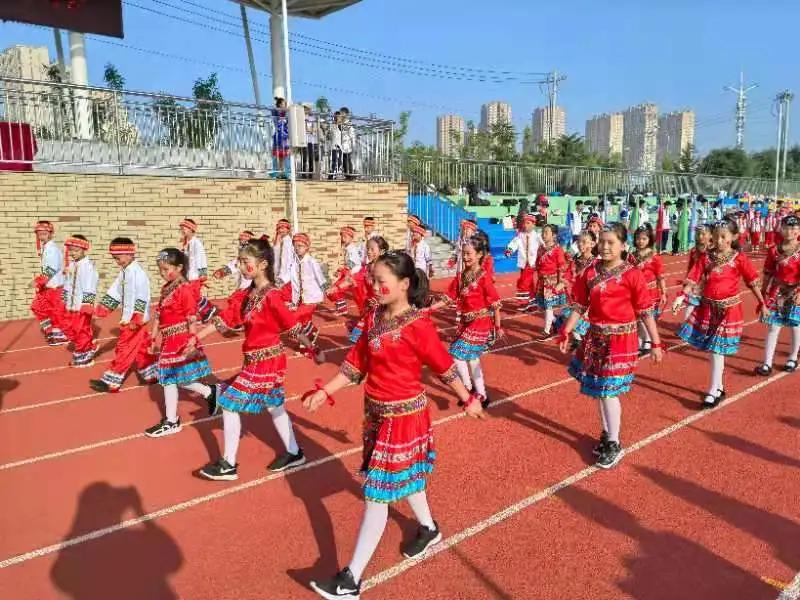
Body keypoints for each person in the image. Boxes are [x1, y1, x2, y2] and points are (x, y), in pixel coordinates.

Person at [303, 251, 484, 599]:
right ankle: (428, 528)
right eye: (372, 279)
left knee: (376, 494)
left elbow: (444, 366)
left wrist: (468, 398)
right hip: (376, 414)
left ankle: (350, 580)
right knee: (403, 479)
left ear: (404, 284)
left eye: (380, 280)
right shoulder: (373, 316)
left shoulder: (418, 325)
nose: (373, 286)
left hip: (403, 419)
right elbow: (355, 363)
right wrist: (324, 392)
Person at [192, 239, 313, 480]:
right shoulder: (248, 294)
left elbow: (291, 324)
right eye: (239, 262)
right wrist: (196, 336)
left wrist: (312, 347)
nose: (240, 266)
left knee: (229, 404)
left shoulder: (272, 296)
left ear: (263, 265)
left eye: (244, 262)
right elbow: (227, 318)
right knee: (274, 406)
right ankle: (294, 452)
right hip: (254, 360)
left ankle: (228, 464)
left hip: (267, 361)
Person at [560, 222, 663, 469]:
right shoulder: (590, 272)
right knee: (599, 389)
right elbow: (580, 305)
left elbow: (645, 311)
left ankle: (615, 443)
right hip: (595, 337)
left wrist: (656, 342)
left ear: (623, 246)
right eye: (602, 242)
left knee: (608, 390)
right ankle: (607, 434)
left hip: (621, 340)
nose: (605, 247)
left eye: (611, 243)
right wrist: (566, 330)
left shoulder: (632, 274)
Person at [672, 219, 768, 408]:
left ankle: (712, 391)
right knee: (715, 350)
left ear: (734, 237)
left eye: (723, 236)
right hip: (708, 309)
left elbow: (752, 281)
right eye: (716, 236)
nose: (719, 240)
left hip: (729, 310)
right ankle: (719, 387)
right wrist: (681, 296)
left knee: (717, 350)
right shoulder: (706, 258)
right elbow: (693, 277)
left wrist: (762, 303)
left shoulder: (739, 258)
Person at [145, 248, 216, 438]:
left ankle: (171, 421)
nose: (162, 273)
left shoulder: (184, 289)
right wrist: (153, 337)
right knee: (175, 379)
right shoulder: (166, 289)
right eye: (160, 269)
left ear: (179, 268)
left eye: (166, 269)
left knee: (171, 378)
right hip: (168, 340)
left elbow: (191, 316)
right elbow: (159, 315)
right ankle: (208, 392)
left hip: (180, 339)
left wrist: (192, 338)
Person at [429, 233, 502, 409]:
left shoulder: (483, 277)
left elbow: (495, 303)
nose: (466, 257)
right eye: (464, 253)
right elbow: (449, 297)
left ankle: (469, 388)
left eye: (469, 253)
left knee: (457, 354)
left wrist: (498, 326)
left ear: (479, 255)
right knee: (472, 359)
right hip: (466, 323)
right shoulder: (461, 276)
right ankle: (481, 394)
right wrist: (430, 309)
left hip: (480, 323)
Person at [90, 238, 158, 393]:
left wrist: (137, 318)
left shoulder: (138, 273)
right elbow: (115, 291)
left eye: (118, 257)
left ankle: (111, 381)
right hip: (129, 318)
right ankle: (151, 374)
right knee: (141, 348)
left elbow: (143, 296)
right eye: (114, 258)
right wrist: (103, 309)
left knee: (124, 349)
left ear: (129, 254)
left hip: (134, 320)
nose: (116, 261)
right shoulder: (124, 272)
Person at [754, 215, 800, 375]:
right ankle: (767, 363)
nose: (790, 231)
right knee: (773, 326)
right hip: (777, 292)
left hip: (795, 292)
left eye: (794, 228)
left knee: (795, 326)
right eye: (786, 227)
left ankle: (792, 358)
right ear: (781, 229)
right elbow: (768, 273)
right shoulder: (774, 250)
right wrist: (763, 293)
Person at [554, 230, 597, 348]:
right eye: (579, 242)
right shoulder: (576, 260)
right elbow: (568, 274)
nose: (580, 244)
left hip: (591, 299)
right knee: (569, 317)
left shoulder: (596, 263)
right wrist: (558, 287)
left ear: (592, 244)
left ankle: (583, 342)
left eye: (584, 242)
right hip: (576, 297)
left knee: (588, 326)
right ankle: (578, 340)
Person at [628, 224, 667, 355]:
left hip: (650, 294)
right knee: (638, 320)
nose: (641, 241)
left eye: (644, 239)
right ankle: (641, 342)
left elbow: (660, 276)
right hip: (635, 293)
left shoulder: (654, 257)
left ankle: (647, 342)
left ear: (649, 239)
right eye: (638, 238)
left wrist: (664, 293)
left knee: (646, 318)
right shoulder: (631, 256)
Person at [288, 233, 326, 363]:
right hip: (300, 298)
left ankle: (309, 342)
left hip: (311, 298)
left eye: (300, 246)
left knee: (293, 320)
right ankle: (307, 340)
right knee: (304, 321)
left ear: (307, 247)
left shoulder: (311, 262)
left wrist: (326, 290)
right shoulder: (294, 262)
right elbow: (290, 278)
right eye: (295, 246)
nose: (297, 248)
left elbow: (320, 277)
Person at [62, 235, 99, 367]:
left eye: (76, 250)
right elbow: (68, 283)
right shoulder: (72, 265)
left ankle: (84, 355)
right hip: (71, 305)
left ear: (84, 250)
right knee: (70, 329)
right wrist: (64, 298)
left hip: (81, 305)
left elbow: (90, 285)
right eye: (71, 250)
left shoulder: (88, 266)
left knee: (81, 330)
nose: (73, 253)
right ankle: (89, 347)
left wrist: (87, 304)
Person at [31, 220, 68, 345]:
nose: (41, 236)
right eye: (39, 233)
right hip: (47, 287)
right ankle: (51, 331)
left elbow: (52, 268)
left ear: (50, 233)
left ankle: (60, 336)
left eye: (44, 233)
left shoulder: (52, 249)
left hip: (54, 287)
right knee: (38, 307)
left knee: (56, 312)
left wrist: (38, 281)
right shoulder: (46, 247)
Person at [345, 236, 389, 343]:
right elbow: (356, 279)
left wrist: (381, 301)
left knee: (360, 336)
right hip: (369, 307)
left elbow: (389, 288)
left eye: (372, 249)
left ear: (381, 251)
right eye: (368, 249)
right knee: (364, 338)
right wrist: (336, 288)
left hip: (380, 307)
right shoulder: (367, 267)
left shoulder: (385, 269)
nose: (369, 252)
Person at [212, 230, 256, 330]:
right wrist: (221, 272)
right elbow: (232, 267)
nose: (241, 245)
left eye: (243, 244)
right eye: (240, 243)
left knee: (238, 303)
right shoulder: (239, 260)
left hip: (252, 288)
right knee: (237, 304)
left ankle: (228, 322)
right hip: (243, 288)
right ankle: (239, 323)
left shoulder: (255, 259)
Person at [534, 224, 568, 338]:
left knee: (549, 307)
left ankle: (546, 332)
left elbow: (561, 267)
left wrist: (559, 282)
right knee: (543, 307)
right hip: (542, 281)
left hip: (551, 282)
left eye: (546, 232)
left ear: (554, 235)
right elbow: (538, 263)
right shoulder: (541, 249)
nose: (543, 235)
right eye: (542, 232)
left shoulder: (557, 250)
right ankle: (556, 322)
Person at [179, 218, 216, 323]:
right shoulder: (187, 243)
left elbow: (201, 259)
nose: (182, 230)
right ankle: (200, 313)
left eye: (185, 228)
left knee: (194, 296)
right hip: (188, 275)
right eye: (182, 228)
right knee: (191, 297)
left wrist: (202, 276)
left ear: (191, 229)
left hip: (195, 276)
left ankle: (209, 309)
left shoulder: (196, 243)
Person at [505, 213, 543, 310]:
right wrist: (509, 250)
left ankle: (523, 302)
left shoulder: (537, 235)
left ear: (533, 224)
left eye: (528, 223)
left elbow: (544, 244)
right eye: (524, 223)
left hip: (532, 262)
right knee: (529, 282)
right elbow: (514, 243)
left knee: (524, 282)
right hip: (523, 262)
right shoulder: (520, 235)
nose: (525, 225)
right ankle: (532, 301)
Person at [328, 226, 364, 315]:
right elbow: (351, 264)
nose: (343, 239)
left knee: (359, 297)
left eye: (345, 237)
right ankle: (342, 308)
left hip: (355, 276)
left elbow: (354, 263)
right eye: (342, 237)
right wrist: (342, 270)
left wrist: (345, 272)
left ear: (351, 238)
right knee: (334, 289)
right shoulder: (348, 248)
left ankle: (365, 315)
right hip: (350, 274)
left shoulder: (352, 249)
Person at [682, 224, 713, 322]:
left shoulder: (714, 251)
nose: (700, 237)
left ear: (711, 235)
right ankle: (687, 327)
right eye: (698, 234)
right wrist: (687, 282)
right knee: (690, 309)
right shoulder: (694, 251)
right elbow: (690, 268)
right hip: (695, 285)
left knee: (707, 312)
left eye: (703, 234)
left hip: (710, 286)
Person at [273, 218, 295, 301]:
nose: (281, 230)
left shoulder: (290, 243)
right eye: (279, 228)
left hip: (287, 279)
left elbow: (289, 262)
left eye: (283, 228)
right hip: (278, 279)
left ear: (288, 229)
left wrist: (284, 278)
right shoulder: (278, 243)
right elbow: (275, 261)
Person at [271, 97, 290, 176]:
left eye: (285, 104)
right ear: (279, 105)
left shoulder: (286, 114)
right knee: (276, 155)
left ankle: (284, 172)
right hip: (278, 136)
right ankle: (275, 172)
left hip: (284, 137)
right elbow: (273, 111)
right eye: (283, 104)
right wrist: (277, 104)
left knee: (284, 155)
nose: (285, 105)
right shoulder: (275, 112)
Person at [301, 103, 319, 179]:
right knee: (304, 156)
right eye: (304, 108)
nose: (305, 110)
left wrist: (311, 130)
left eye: (306, 109)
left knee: (311, 156)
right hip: (303, 139)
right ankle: (303, 173)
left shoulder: (312, 118)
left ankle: (311, 172)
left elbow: (315, 128)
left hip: (311, 140)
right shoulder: (301, 117)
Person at [339, 107, 357, 180]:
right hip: (341, 144)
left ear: (345, 114)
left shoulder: (348, 123)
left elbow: (352, 134)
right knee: (344, 160)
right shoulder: (341, 123)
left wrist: (353, 145)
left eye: (342, 113)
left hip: (347, 143)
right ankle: (347, 175)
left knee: (347, 159)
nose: (340, 115)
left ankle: (350, 175)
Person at [329, 110, 343, 179]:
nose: (338, 118)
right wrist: (335, 123)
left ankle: (336, 174)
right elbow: (331, 133)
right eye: (337, 116)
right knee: (334, 161)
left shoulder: (342, 126)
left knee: (339, 161)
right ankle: (331, 175)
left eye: (339, 117)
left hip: (340, 145)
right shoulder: (332, 125)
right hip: (334, 145)